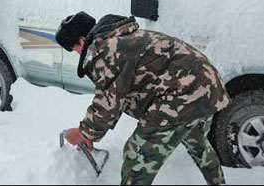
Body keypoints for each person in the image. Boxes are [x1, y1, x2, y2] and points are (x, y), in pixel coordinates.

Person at [55, 12, 230, 185]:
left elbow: (108, 103)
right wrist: (90, 133)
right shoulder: (125, 36)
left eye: (74, 49)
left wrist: (82, 133)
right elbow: (119, 94)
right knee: (198, 143)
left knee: (136, 159)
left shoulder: (107, 49)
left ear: (82, 41)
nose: (78, 54)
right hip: (208, 87)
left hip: (180, 96)